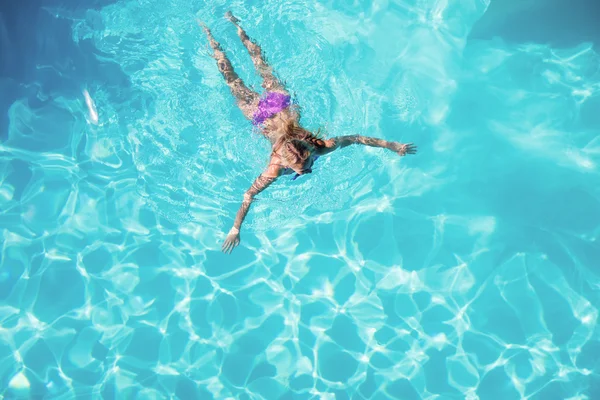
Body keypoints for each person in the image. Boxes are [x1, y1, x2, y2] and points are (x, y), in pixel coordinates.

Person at [200, 12, 417, 254]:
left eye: (308, 163)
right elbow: (248, 194)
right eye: (305, 168)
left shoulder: (318, 148)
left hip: (279, 106)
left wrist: (392, 146)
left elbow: (355, 138)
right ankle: (224, 28)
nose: (310, 166)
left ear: (308, 150)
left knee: (240, 72)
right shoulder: (280, 165)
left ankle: (224, 29)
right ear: (287, 162)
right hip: (267, 112)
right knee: (244, 70)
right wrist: (235, 229)